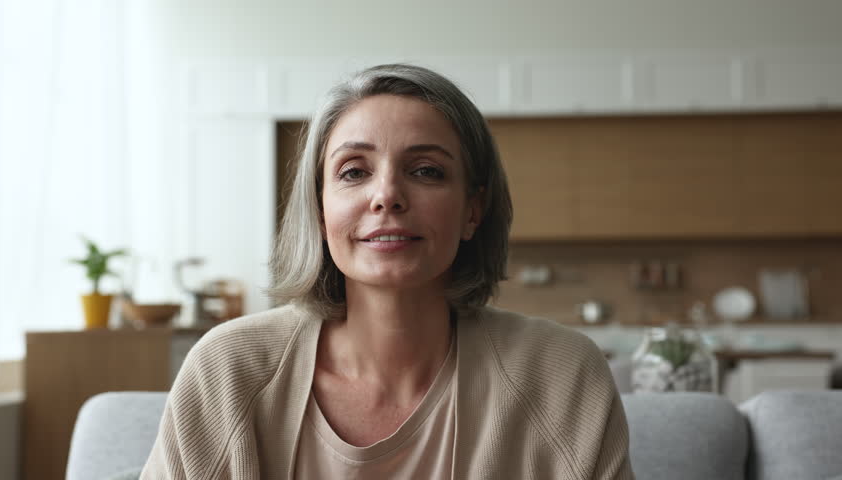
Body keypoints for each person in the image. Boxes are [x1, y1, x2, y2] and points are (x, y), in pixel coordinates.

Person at [141, 64, 633, 479]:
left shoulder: (564, 376)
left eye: (426, 171)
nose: (387, 195)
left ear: (472, 211)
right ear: (319, 211)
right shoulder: (226, 372)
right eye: (354, 171)